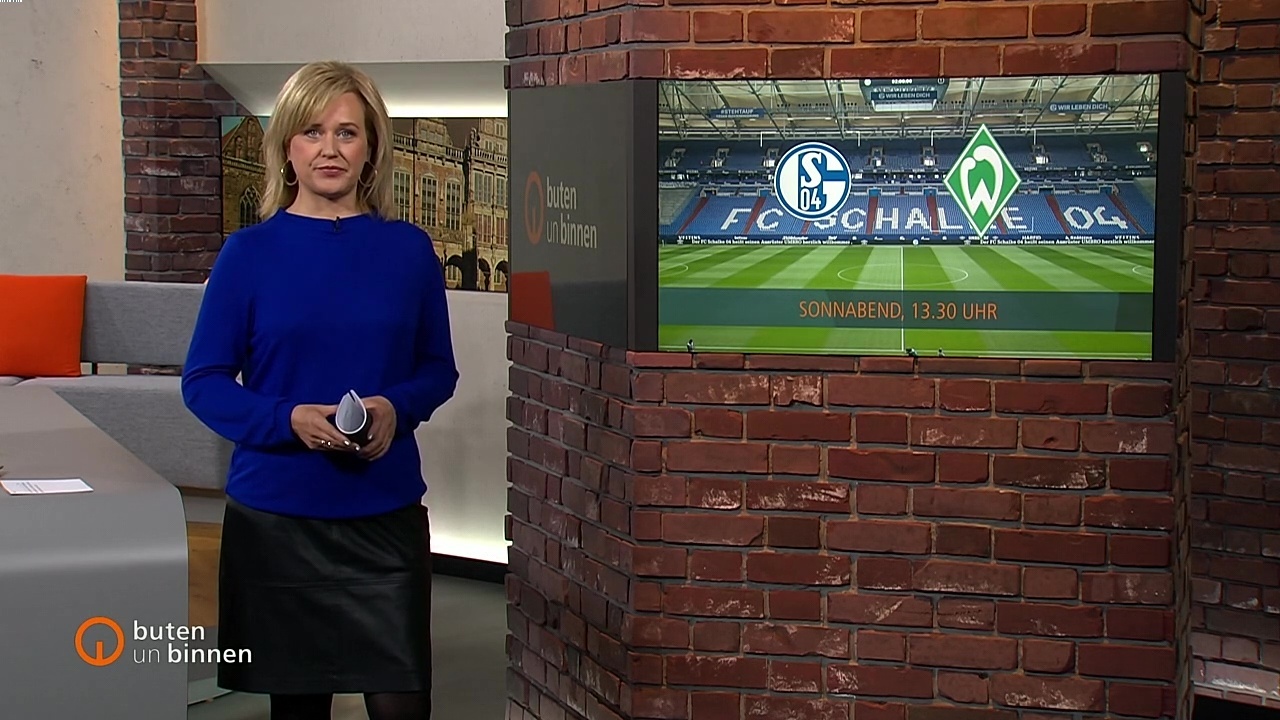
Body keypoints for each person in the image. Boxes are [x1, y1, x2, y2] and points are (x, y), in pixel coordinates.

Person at [181, 60, 459, 720]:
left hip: (383, 512)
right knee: (298, 710)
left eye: (346, 133)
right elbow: (204, 383)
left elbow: (436, 369)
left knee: (402, 706)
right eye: (311, 132)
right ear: (287, 147)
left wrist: (395, 407)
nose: (329, 149)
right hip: (280, 518)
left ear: (370, 149)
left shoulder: (409, 251)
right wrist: (288, 419)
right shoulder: (248, 255)